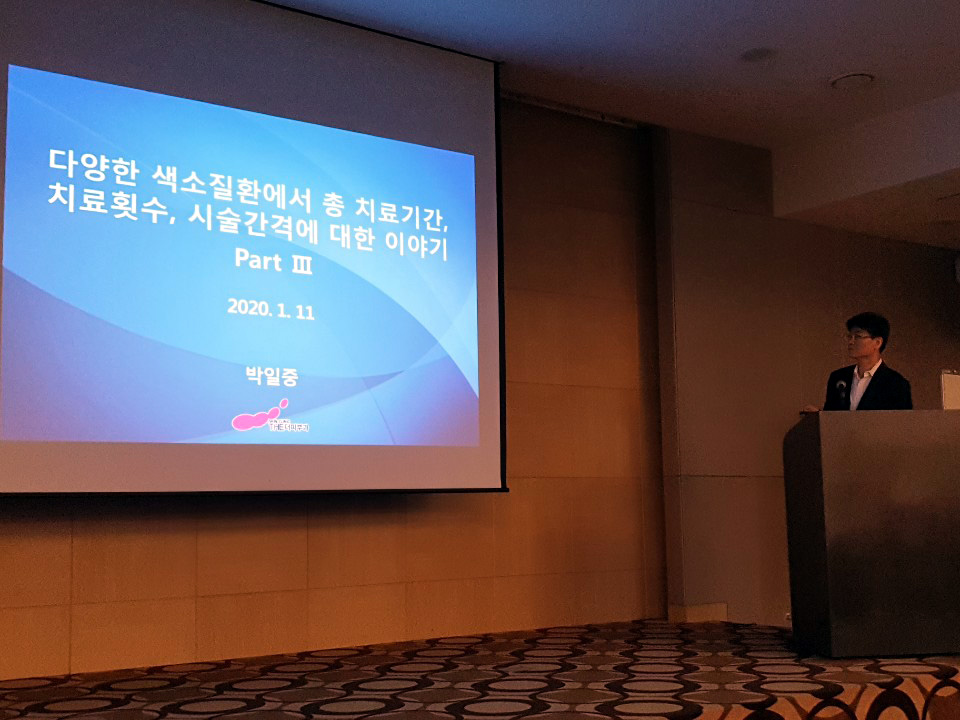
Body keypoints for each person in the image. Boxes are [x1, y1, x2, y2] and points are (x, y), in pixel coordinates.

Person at [804, 312, 912, 413]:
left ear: (877, 342)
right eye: (849, 337)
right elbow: (832, 417)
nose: (851, 342)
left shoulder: (896, 384)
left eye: (858, 337)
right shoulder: (838, 377)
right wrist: (819, 415)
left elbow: (901, 423)